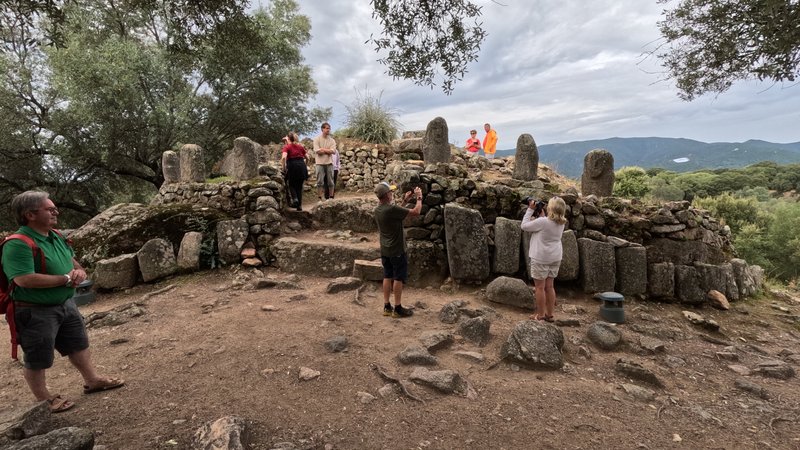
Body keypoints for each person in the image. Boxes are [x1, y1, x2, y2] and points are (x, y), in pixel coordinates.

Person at [2, 191, 125, 413]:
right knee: (38, 357)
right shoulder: (17, 244)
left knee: (78, 344)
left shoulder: (54, 235)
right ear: (30, 214)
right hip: (34, 311)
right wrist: (66, 279)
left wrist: (78, 271)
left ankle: (92, 379)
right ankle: (44, 398)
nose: (55, 211)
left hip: (65, 303)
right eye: (49, 209)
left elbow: (71, 260)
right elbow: (23, 279)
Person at [373, 182, 423, 318]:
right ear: (387, 195)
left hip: (385, 250)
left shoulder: (378, 210)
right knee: (398, 278)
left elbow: (396, 212)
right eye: (391, 192)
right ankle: (398, 308)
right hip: (397, 250)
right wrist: (419, 198)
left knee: (387, 276)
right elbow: (416, 212)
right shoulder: (390, 209)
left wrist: (405, 200)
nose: (392, 193)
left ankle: (387, 306)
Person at [520, 196, 567, 322]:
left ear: (550, 208)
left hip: (540, 257)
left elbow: (524, 226)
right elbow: (547, 226)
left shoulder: (543, 222)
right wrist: (542, 216)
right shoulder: (562, 223)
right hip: (555, 257)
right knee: (549, 287)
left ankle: (540, 315)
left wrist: (530, 209)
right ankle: (549, 314)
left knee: (539, 288)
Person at [280, 132, 308, 211]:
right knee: (299, 187)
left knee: (291, 184)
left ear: (288, 139)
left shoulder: (287, 147)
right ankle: (299, 206)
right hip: (302, 166)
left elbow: (283, 158)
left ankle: (295, 199)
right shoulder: (300, 147)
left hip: (292, 166)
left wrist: (284, 168)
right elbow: (308, 157)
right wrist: (305, 165)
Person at [312, 122, 336, 202]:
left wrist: (323, 149)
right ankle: (320, 197)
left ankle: (331, 197)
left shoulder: (332, 140)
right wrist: (327, 150)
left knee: (330, 181)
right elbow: (317, 151)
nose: (328, 130)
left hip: (329, 163)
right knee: (319, 181)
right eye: (326, 128)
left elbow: (333, 151)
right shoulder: (317, 139)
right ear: (322, 129)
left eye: (329, 128)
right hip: (319, 163)